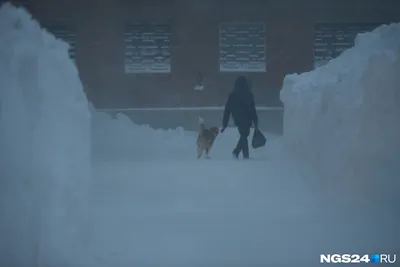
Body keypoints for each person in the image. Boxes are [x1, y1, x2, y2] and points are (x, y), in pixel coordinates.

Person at [221, 76, 259, 159]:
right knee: (244, 135)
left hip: (237, 119)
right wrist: (255, 121)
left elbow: (227, 110)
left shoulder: (232, 95)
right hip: (247, 118)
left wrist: (225, 124)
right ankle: (236, 152)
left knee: (244, 135)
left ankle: (245, 156)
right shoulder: (249, 94)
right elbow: (253, 109)